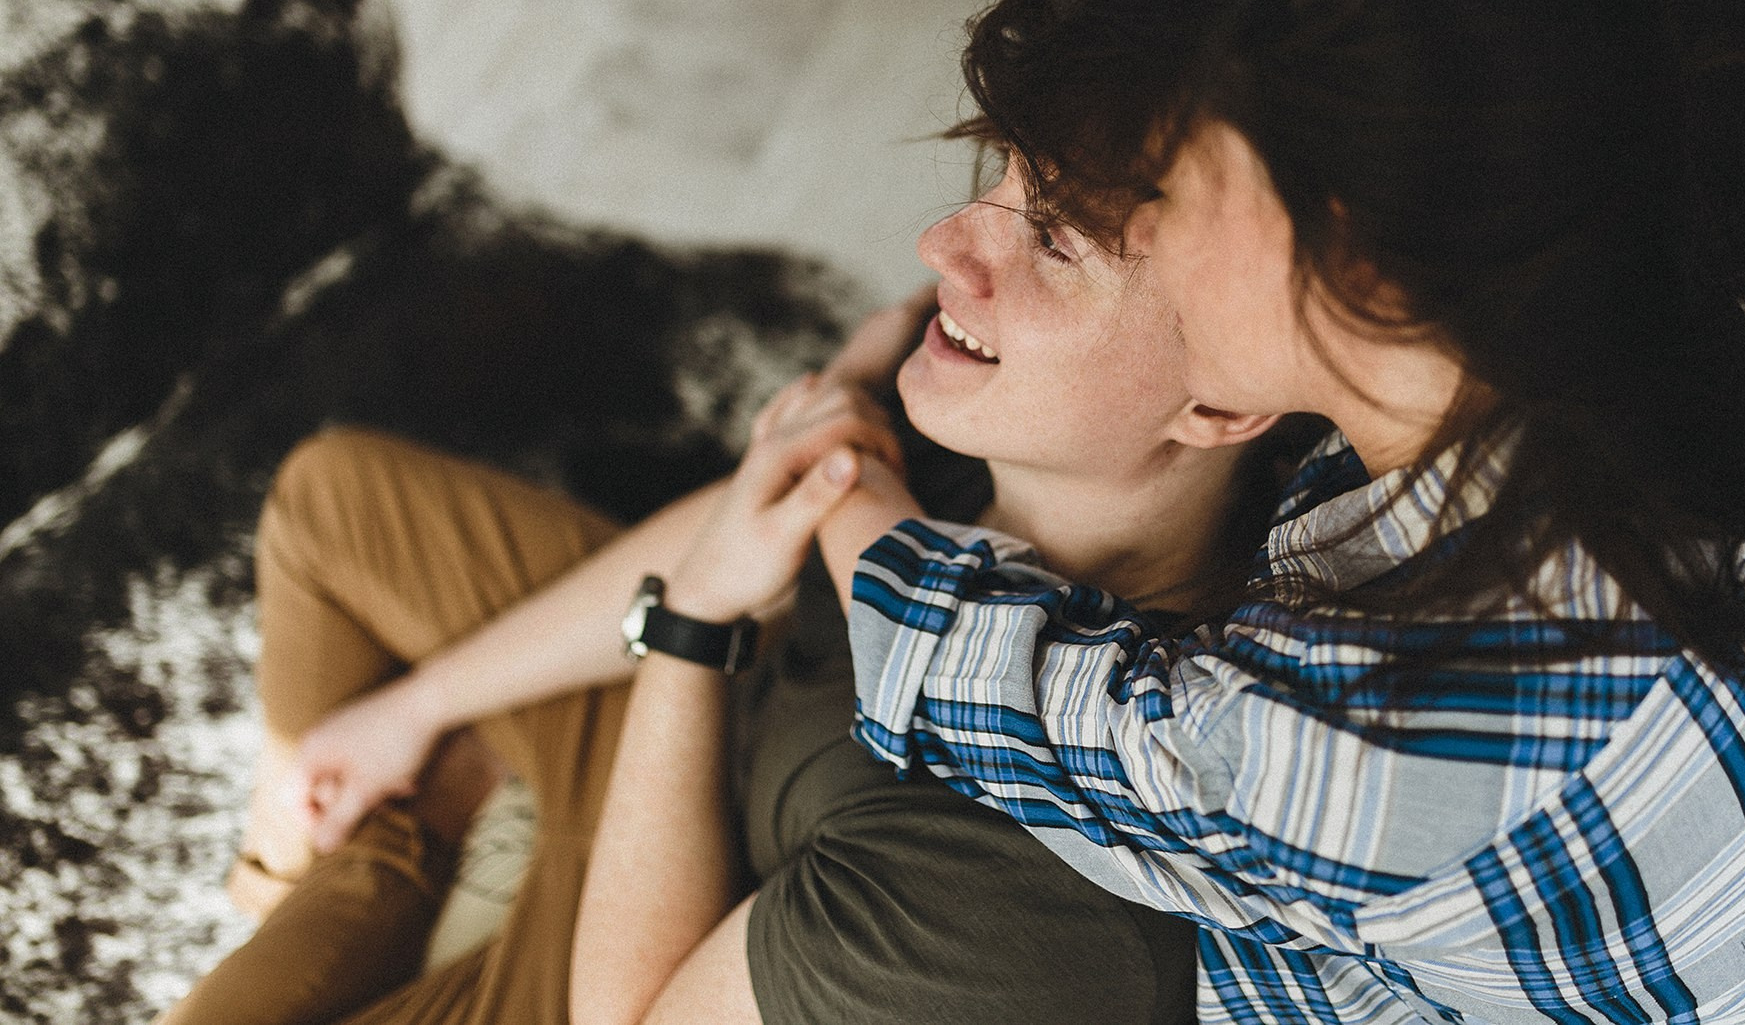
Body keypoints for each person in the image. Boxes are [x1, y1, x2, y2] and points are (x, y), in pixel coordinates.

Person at [808, 0, 1745, 1025]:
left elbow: (1030, 707)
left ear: (1360, 264)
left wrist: (845, 480)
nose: (1140, 231)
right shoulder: (1729, 363)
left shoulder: (1371, 744)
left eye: (1162, 194)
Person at [156, 154, 1289, 1024]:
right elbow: (760, 503)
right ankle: (405, 814)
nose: (943, 242)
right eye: (1002, 173)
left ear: (1220, 401)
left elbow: (631, 1015)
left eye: (1054, 239)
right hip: (712, 729)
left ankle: (409, 839)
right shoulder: (997, 401)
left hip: (667, 940)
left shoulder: (1037, 873)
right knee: (333, 501)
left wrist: (693, 623)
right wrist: (421, 702)